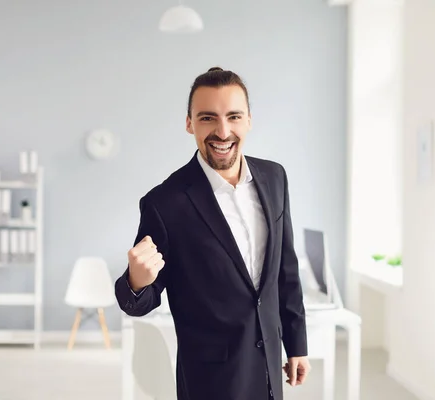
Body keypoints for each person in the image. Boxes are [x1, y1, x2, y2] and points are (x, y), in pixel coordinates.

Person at [114, 67, 310, 400]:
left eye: (233, 116)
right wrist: (136, 280)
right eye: (208, 118)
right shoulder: (165, 203)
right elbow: (139, 302)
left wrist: (296, 344)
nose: (222, 131)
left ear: (248, 120)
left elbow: (284, 272)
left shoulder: (275, 178)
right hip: (210, 379)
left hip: (268, 371)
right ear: (189, 123)